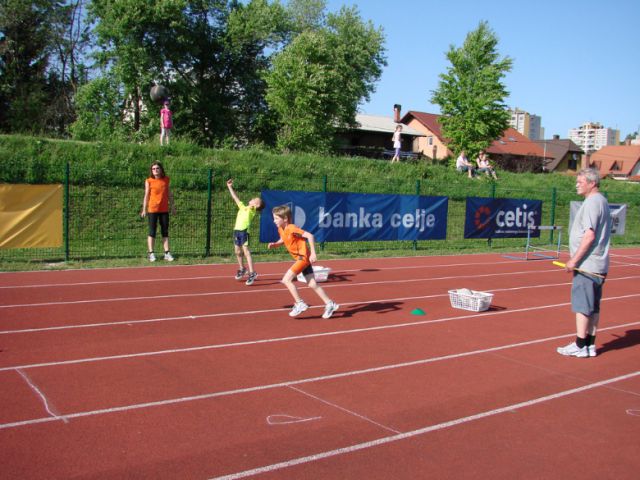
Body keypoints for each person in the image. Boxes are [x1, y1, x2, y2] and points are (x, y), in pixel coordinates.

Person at [557, 168, 611, 358]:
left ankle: (580, 345)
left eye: (580, 182)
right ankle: (589, 345)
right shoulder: (602, 201)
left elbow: (589, 236)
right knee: (593, 307)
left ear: (592, 183)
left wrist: (573, 260)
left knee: (582, 306)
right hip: (598, 265)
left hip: (588, 265)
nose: (577, 185)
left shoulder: (592, 203)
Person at [268, 205, 339, 318]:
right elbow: (284, 239)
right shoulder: (281, 229)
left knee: (286, 280)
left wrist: (314, 253)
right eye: (274, 218)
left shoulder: (292, 228)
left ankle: (300, 303)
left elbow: (310, 236)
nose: (274, 220)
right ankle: (330, 304)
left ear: (285, 218)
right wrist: (276, 244)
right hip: (301, 258)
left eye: (276, 218)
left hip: (303, 258)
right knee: (312, 284)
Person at [227, 179, 265, 285]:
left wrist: (256, 205)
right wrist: (229, 186)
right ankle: (242, 268)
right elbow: (235, 197)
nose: (252, 199)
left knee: (246, 252)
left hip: (244, 232)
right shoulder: (243, 207)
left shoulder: (252, 210)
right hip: (237, 231)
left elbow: (256, 206)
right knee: (237, 252)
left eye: (254, 200)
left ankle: (252, 273)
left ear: (256, 205)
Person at [141, 162, 175, 262]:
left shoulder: (166, 180)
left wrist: (172, 206)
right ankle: (151, 253)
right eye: (153, 169)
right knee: (152, 231)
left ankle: (167, 253)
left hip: (164, 209)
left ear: (161, 170)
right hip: (152, 209)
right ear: (151, 171)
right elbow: (146, 196)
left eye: (157, 168)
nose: (155, 170)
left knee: (165, 231)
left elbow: (169, 194)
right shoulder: (149, 181)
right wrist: (144, 209)